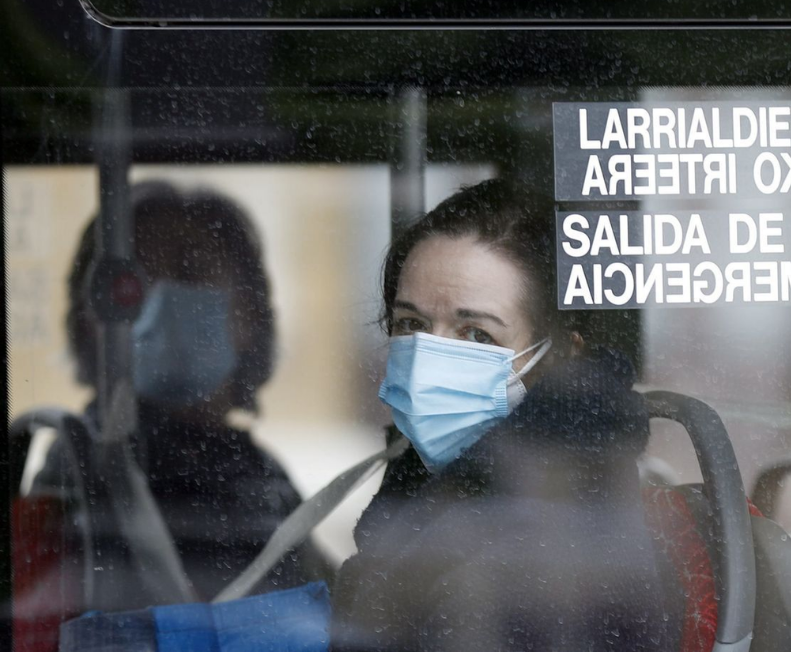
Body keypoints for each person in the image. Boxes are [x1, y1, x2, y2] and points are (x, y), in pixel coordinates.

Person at [331, 179, 673, 652]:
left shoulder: (542, 536)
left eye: (476, 335)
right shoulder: (452, 492)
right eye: (412, 324)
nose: (430, 356)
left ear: (558, 360)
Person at [32, 180, 331, 610]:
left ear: (248, 313)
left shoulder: (259, 474)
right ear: (90, 323)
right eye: (132, 286)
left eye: (190, 271)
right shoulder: (88, 469)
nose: (160, 300)